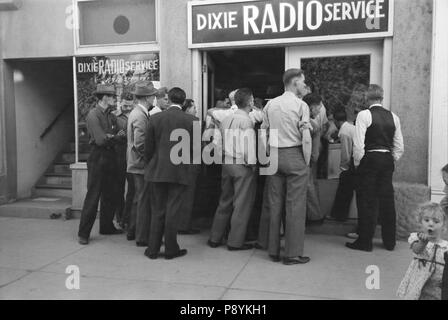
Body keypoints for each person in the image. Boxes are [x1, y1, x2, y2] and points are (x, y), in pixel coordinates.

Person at [261, 69, 312, 265]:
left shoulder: (270, 104)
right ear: (294, 82)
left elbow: (263, 133)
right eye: (302, 82)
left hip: (274, 154)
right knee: (295, 206)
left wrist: (266, 156)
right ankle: (292, 254)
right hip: (294, 154)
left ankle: (273, 250)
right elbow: (306, 138)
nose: (304, 85)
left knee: (274, 203)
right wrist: (305, 161)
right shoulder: (301, 105)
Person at [346, 84, 404, 252]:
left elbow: (358, 144)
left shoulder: (364, 115)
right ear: (381, 98)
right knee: (387, 201)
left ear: (367, 98)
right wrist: (390, 158)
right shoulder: (394, 116)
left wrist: (358, 163)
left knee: (367, 201)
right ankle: (389, 242)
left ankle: (365, 242)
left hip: (370, 159)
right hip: (387, 159)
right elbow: (399, 146)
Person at [144, 87, 197, 260]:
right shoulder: (192, 120)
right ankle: (170, 249)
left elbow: (148, 148)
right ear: (183, 101)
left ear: (169, 99)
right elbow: (195, 152)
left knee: (157, 209)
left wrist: (151, 164)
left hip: (157, 170)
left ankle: (152, 249)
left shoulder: (154, 118)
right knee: (173, 211)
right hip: (179, 171)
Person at [208, 88, 257, 250]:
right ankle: (235, 242)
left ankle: (215, 237)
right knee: (241, 204)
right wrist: (253, 166)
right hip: (241, 165)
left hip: (226, 162)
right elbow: (249, 150)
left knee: (225, 201)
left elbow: (219, 143)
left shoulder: (226, 119)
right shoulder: (247, 121)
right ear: (250, 101)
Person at [77, 84, 126, 245]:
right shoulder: (93, 115)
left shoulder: (111, 116)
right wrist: (114, 137)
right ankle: (83, 233)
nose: (114, 99)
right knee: (93, 196)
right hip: (98, 158)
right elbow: (100, 140)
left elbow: (122, 133)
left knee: (110, 195)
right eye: (112, 96)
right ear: (104, 97)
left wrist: (112, 137)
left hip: (110, 157)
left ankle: (106, 226)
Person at [126, 81, 159, 246]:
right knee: (143, 201)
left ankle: (133, 231)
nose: (155, 98)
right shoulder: (140, 115)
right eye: (153, 95)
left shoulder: (137, 112)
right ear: (147, 97)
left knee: (138, 200)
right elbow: (140, 145)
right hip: (140, 166)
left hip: (135, 164)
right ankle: (141, 237)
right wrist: (150, 160)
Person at [397, 202, 448, 300]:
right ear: (420, 222)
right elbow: (416, 250)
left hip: (438, 285)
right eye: (426, 220)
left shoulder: (446, 246)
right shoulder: (416, 237)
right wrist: (423, 243)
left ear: (443, 226)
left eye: (436, 221)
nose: (431, 224)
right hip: (419, 281)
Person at [329, 109, 357, 221]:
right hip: (357, 162)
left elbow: (346, 153)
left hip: (353, 164)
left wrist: (343, 169)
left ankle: (339, 215)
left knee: (344, 188)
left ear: (336, 121)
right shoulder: (349, 128)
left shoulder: (345, 132)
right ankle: (339, 215)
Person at [178, 99, 201, 234]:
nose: (196, 110)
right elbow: (197, 146)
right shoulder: (194, 121)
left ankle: (178, 223)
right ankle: (184, 225)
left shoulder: (175, 120)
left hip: (177, 161)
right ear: (187, 109)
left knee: (179, 196)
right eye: (194, 107)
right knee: (188, 195)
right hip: (191, 162)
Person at [302, 93, 324, 224]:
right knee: (309, 187)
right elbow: (315, 153)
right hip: (307, 161)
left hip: (301, 160)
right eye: (319, 106)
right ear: (311, 107)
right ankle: (315, 216)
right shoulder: (313, 125)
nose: (320, 110)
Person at [114, 94, 135, 229]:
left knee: (132, 190)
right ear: (120, 103)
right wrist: (117, 136)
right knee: (119, 190)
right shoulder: (114, 116)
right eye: (125, 105)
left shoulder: (137, 114)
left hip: (132, 158)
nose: (127, 108)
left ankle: (128, 218)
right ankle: (120, 217)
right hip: (119, 156)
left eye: (130, 105)